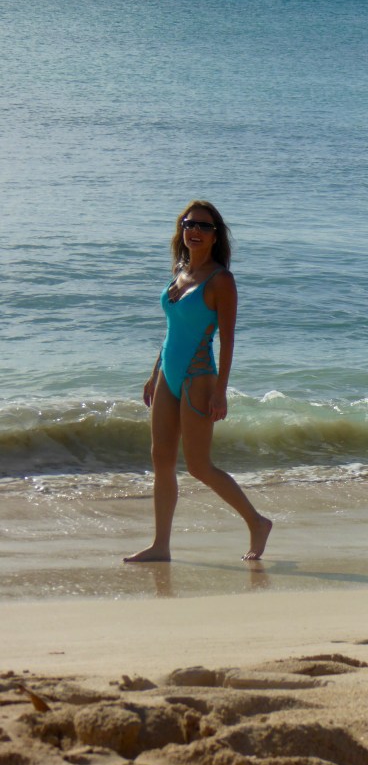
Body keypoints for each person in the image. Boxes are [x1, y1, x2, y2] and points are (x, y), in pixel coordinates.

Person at [124, 200, 272, 563]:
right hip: (167, 377)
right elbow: (173, 330)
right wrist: (153, 373)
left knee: (198, 466)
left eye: (204, 226)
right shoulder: (180, 271)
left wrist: (221, 390)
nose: (195, 231)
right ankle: (160, 545)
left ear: (215, 235)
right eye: (190, 224)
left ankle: (257, 522)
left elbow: (228, 338)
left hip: (198, 378)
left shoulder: (221, 280)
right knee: (161, 460)